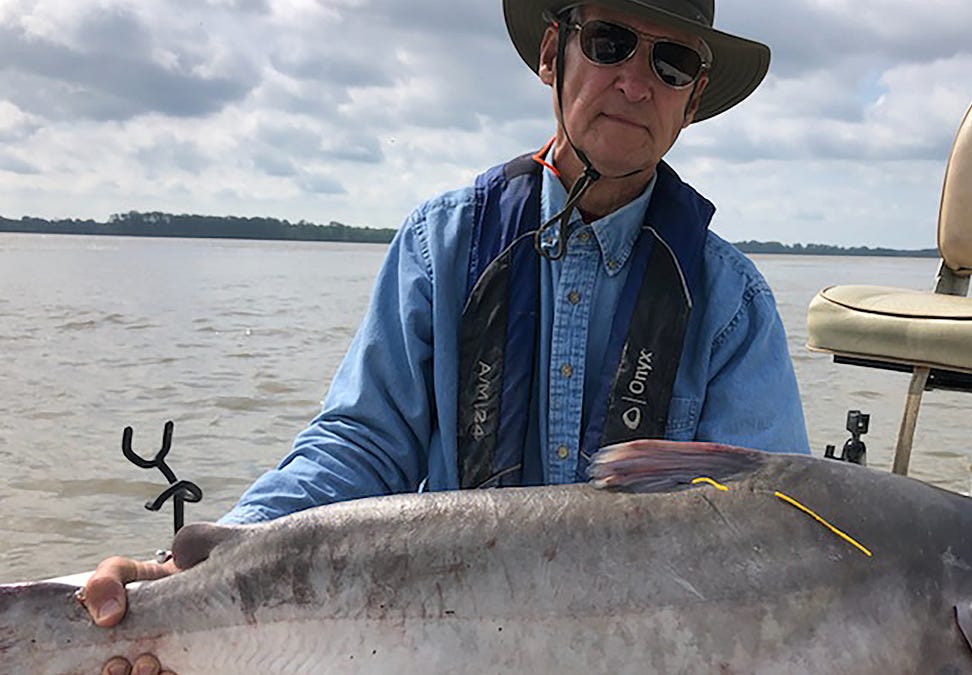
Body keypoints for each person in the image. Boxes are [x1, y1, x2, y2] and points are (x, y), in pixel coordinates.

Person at [82, 1, 807, 672]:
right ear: (554, 52)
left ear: (694, 98)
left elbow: (773, 532)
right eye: (610, 42)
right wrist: (200, 575)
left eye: (670, 62)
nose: (635, 82)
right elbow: (360, 447)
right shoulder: (443, 243)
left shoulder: (732, 302)